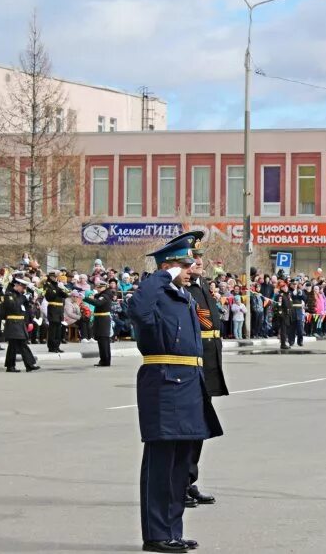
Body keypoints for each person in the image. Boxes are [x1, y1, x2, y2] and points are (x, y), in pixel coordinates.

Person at [127, 235, 223, 554]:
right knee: (161, 465)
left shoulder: (184, 296)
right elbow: (137, 309)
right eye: (183, 264)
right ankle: (156, 533)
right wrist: (162, 274)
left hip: (189, 386)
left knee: (180, 465)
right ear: (166, 267)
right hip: (164, 385)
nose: (190, 268)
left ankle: (172, 531)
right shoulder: (156, 295)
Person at [180, 231, 228, 509]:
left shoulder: (202, 286)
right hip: (192, 364)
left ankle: (189, 480)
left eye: (199, 258)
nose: (198, 263)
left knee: (198, 428)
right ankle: (179, 483)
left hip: (208, 364)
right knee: (188, 427)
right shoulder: (182, 289)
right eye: (192, 259)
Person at [2, 277, 39, 373]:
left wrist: (29, 321)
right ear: (17, 286)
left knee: (14, 346)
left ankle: (12, 366)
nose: (23, 290)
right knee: (20, 344)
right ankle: (28, 364)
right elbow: (13, 307)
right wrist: (23, 298)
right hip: (13, 323)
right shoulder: (9, 295)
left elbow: (27, 309)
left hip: (20, 323)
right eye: (23, 288)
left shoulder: (21, 296)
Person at [84, 280, 113, 367]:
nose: (99, 289)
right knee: (103, 340)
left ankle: (105, 361)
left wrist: (85, 298)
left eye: (100, 287)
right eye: (98, 287)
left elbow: (98, 303)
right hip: (101, 319)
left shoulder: (105, 295)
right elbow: (96, 297)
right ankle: (105, 360)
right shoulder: (103, 294)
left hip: (102, 320)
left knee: (103, 341)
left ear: (105, 287)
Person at [43, 270, 66, 353]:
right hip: (53, 307)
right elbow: (50, 296)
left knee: (58, 329)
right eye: (54, 277)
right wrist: (57, 289)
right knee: (53, 329)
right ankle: (51, 347)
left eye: (56, 277)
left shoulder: (58, 284)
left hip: (59, 309)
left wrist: (63, 288)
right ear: (50, 276)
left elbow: (65, 295)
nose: (55, 278)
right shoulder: (47, 285)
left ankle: (57, 346)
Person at [274, 281, 293, 350]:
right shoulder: (281, 295)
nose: (285, 288)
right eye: (283, 287)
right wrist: (281, 314)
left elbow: (290, 305)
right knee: (283, 330)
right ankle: (283, 344)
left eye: (286, 286)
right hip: (283, 315)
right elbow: (279, 305)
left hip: (288, 315)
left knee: (286, 330)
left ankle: (285, 342)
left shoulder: (288, 295)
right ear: (281, 288)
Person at [288, 280, 306, 347]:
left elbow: (305, 299)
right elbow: (288, 299)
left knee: (300, 328)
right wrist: (292, 294)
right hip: (292, 311)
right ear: (291, 285)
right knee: (291, 328)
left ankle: (300, 341)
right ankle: (291, 341)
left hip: (299, 311)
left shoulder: (300, 291)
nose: (295, 285)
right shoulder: (289, 292)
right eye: (293, 284)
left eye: (296, 284)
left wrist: (301, 294)